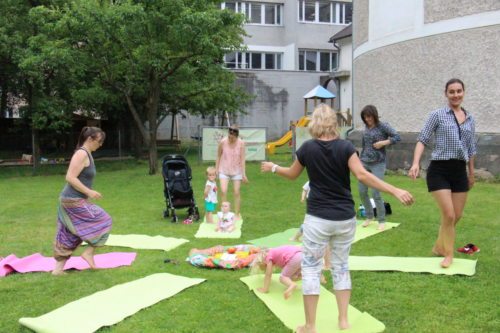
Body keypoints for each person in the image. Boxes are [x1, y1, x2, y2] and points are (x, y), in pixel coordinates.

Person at [261, 104, 414, 332]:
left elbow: (292, 174)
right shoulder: (346, 147)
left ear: (315, 122)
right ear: (334, 122)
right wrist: (395, 190)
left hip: (317, 220)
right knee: (340, 267)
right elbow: (362, 174)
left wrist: (274, 167)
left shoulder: (307, 148)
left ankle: (310, 325)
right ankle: (343, 320)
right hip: (344, 219)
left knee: (311, 269)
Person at [408, 78, 476, 269]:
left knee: (457, 216)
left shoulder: (470, 118)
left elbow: (471, 149)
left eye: (459, 91)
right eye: (451, 91)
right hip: (439, 170)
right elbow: (422, 139)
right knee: (448, 214)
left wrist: (471, 173)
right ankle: (448, 254)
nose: (456, 95)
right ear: (446, 94)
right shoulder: (437, 115)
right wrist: (415, 163)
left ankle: (439, 246)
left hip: (459, 171)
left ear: (464, 92)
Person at [52, 127, 112, 275]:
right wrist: (89, 192)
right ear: (90, 139)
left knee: (70, 234)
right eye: (99, 141)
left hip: (73, 199)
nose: (101, 144)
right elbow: (70, 177)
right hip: (71, 200)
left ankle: (57, 270)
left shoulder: (88, 154)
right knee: (104, 220)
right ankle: (89, 253)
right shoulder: (81, 153)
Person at [358, 105, 401, 231]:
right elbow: (364, 144)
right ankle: (369, 216)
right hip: (364, 162)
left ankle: (381, 220)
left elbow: (397, 137)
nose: (367, 119)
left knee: (376, 192)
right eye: (365, 117)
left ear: (374, 115)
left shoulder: (383, 126)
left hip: (378, 163)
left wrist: (384, 142)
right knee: (362, 191)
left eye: (369, 116)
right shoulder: (366, 127)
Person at [215, 125, 248, 221]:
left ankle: (237, 214)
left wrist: (243, 174)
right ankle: (224, 214)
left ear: (237, 136)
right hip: (223, 170)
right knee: (223, 191)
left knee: (237, 192)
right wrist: (216, 170)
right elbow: (218, 156)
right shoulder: (222, 142)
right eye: (229, 136)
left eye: (232, 138)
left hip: (237, 171)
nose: (230, 139)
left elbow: (242, 159)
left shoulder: (241, 143)